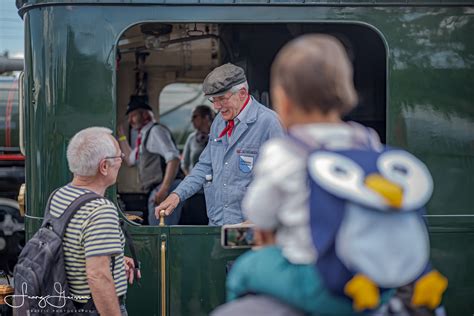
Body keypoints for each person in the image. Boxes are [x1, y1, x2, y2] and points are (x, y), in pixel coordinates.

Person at [219, 35, 381, 315]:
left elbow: (258, 213)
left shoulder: (285, 151)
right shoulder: (368, 140)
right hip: (367, 275)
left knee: (241, 273)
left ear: (283, 99)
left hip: (313, 278)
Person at [156, 63, 284, 225]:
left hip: (252, 227)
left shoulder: (269, 122)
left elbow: (281, 179)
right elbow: (204, 166)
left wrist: (258, 219)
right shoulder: (219, 122)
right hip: (217, 222)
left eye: (222, 99)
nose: (216, 106)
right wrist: (177, 195)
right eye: (213, 100)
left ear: (242, 93)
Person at [54, 127, 138, 315]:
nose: (122, 161)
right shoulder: (100, 210)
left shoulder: (59, 195)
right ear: (104, 167)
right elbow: (98, 276)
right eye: (119, 156)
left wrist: (112, 257)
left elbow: (71, 248)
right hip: (93, 308)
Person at [118, 96, 183, 225]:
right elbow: (131, 159)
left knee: (161, 233)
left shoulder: (156, 131)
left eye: (133, 115)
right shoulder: (144, 135)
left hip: (165, 189)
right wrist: (122, 137)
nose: (130, 120)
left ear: (145, 115)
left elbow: (174, 159)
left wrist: (164, 189)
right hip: (158, 190)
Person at [179, 105, 215, 225]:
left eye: (195, 116)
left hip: (214, 191)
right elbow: (184, 163)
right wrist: (192, 179)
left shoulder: (218, 137)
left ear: (206, 118)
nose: (192, 120)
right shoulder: (191, 139)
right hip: (196, 192)